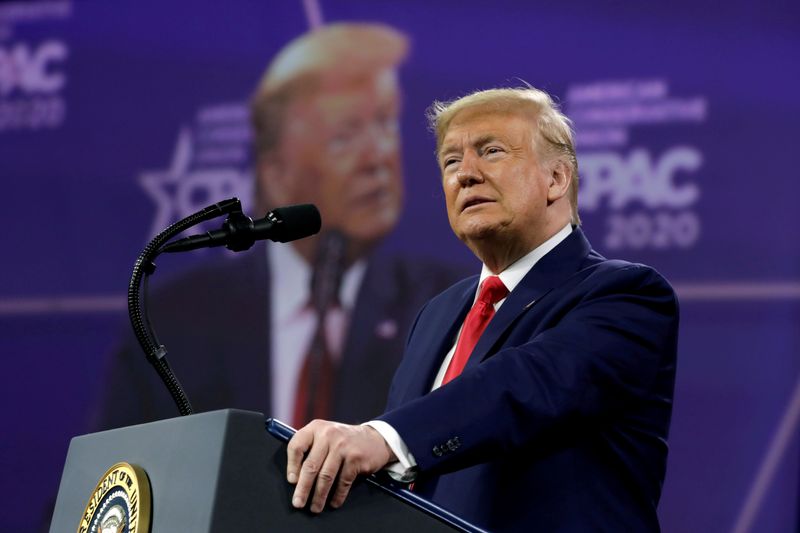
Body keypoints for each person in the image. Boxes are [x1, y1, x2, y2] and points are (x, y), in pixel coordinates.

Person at [284, 87, 679, 532]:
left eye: (491, 152)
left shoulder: (626, 295)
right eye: (451, 162)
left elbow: (526, 383)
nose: (465, 175)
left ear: (556, 179)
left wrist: (384, 437)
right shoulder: (437, 314)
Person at [92, 23, 464, 431]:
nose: (379, 156)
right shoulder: (177, 318)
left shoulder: (444, 307)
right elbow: (116, 477)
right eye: (345, 136)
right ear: (275, 172)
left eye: (385, 124)